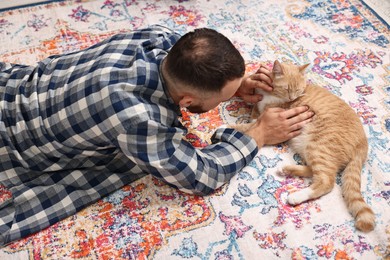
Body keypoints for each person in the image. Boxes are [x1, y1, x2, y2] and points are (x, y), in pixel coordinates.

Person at [0, 25, 313, 245]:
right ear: (188, 102)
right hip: (19, 140)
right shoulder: (140, 120)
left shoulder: (158, 37)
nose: (226, 101)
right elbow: (202, 175)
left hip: (16, 89)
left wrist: (236, 84)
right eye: (221, 98)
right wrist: (258, 132)